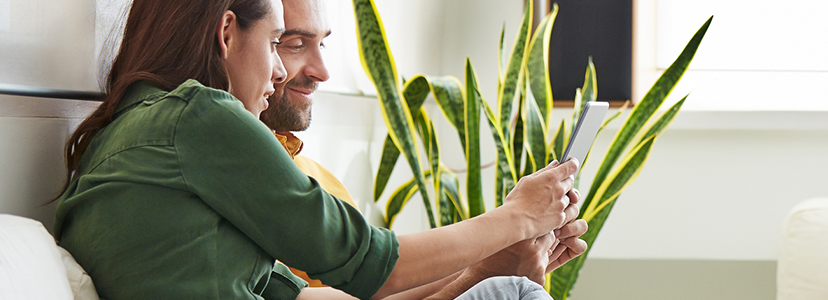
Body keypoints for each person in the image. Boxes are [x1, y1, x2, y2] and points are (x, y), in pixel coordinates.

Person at [53, 0, 582, 299]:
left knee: (503, 289)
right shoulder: (199, 117)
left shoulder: (133, 143)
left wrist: (483, 271)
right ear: (226, 33)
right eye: (277, 43)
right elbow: (372, 262)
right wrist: (517, 216)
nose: (282, 72)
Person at [258, 0, 588, 298]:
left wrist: (498, 262)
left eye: (323, 42)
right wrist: (513, 224)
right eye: (293, 44)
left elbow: (375, 290)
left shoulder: (319, 179)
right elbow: (378, 273)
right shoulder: (250, 176)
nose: (323, 71)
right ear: (228, 39)